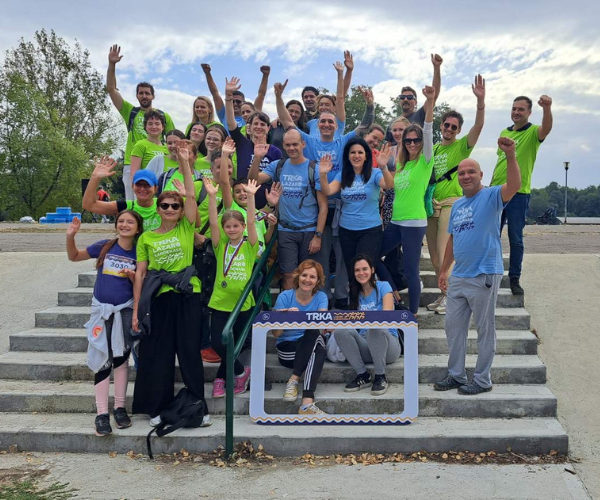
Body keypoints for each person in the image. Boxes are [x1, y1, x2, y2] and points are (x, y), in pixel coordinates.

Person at [275, 77, 374, 308]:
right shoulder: (308, 141)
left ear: (336, 125)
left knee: (342, 255)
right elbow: (287, 121)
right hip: (317, 207)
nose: (327, 124)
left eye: (331, 121)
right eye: (323, 121)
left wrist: (370, 105)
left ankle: (341, 295)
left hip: (341, 206)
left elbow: (364, 126)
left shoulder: (343, 141)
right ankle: (323, 296)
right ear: (317, 124)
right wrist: (278, 97)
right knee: (320, 255)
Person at [434, 137, 521, 395]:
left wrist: (511, 156)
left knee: (485, 330)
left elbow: (514, 185)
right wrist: (444, 270)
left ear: (481, 175)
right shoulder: (458, 205)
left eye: (471, 172)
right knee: (453, 329)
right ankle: (456, 374)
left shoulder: (492, 195)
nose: (466, 176)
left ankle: (482, 380)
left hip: (484, 273)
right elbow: (452, 240)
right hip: (459, 275)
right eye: (462, 173)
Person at [132, 142, 210, 427]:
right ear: (158, 208)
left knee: (189, 353)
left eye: (174, 206)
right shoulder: (147, 237)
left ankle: (198, 408)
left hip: (187, 294)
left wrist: (185, 162)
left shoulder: (187, 228)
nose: (169, 208)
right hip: (160, 298)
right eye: (164, 205)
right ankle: (157, 407)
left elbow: (191, 194)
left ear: (180, 210)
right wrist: (137, 311)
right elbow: (141, 274)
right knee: (159, 354)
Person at [66, 210, 142, 436]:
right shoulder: (105, 246)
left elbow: (142, 282)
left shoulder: (140, 251)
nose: (125, 225)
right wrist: (70, 236)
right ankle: (101, 413)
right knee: (102, 358)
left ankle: (119, 408)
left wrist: (132, 277)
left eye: (130, 222)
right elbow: (74, 256)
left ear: (138, 228)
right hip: (101, 310)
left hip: (125, 309)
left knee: (121, 358)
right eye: (121, 221)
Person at [426, 74, 486, 315]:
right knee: (433, 256)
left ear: (458, 130)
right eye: (446, 125)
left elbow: (478, 127)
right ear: (441, 126)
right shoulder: (434, 148)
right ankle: (444, 294)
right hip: (432, 204)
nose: (449, 129)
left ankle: (451, 298)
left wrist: (480, 102)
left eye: (454, 127)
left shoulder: (461, 146)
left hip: (451, 202)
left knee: (444, 253)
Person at [375, 85, 436, 315]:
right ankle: (392, 290)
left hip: (413, 222)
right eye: (408, 140)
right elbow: (390, 185)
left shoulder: (425, 161)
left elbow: (428, 130)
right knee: (372, 256)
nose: (411, 143)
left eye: (415, 140)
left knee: (411, 270)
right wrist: (383, 167)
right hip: (396, 221)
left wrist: (430, 101)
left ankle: (412, 315)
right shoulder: (402, 163)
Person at [490, 94, 553, 295]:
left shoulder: (533, 132)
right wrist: (490, 187)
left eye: (521, 109)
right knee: (491, 236)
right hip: (497, 191)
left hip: (519, 193)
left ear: (529, 112)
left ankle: (514, 278)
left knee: (515, 238)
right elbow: (500, 162)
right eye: (514, 108)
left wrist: (547, 108)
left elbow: (546, 128)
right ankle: (490, 275)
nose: (516, 112)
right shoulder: (504, 132)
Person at [249, 130, 328, 290]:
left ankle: (306, 306)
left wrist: (318, 236)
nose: (291, 148)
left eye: (295, 144)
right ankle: (289, 306)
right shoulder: (278, 166)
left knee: (309, 275)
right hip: (285, 230)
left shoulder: (314, 169)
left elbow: (323, 206)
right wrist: (257, 158)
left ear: (303, 144)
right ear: (284, 146)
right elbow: (253, 180)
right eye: (288, 145)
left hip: (309, 230)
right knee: (288, 275)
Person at [203, 178, 260, 398]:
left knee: (233, 345)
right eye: (228, 226)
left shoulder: (249, 246)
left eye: (236, 226)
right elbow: (213, 223)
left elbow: (253, 222)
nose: (232, 229)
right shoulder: (221, 246)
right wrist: (211, 196)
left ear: (242, 227)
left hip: (242, 303)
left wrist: (251, 197)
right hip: (220, 301)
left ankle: (221, 378)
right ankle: (240, 372)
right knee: (219, 343)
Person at [106, 44, 175, 200]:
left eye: (147, 93)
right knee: (133, 202)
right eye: (141, 93)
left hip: (158, 161)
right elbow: (111, 89)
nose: (144, 96)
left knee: (159, 201)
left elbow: (174, 139)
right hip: (133, 163)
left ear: (153, 96)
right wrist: (112, 65)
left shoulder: (163, 116)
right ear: (137, 96)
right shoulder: (131, 112)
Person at [318, 138, 394, 276]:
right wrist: (323, 174)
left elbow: (388, 185)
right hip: (347, 230)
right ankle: (353, 291)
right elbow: (328, 191)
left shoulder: (375, 173)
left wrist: (383, 167)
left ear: (366, 156)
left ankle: (368, 291)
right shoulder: (343, 175)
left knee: (365, 270)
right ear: (348, 156)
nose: (356, 155)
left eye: (360, 152)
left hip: (370, 230)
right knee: (352, 271)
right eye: (353, 152)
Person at [334, 255, 401, 396]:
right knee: (340, 331)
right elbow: (352, 323)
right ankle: (363, 375)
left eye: (364, 269)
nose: (361, 273)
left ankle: (380, 376)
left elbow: (387, 315)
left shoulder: (383, 286)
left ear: (372, 270)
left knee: (375, 328)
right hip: (365, 345)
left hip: (387, 345)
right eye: (357, 270)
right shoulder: (354, 293)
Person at [272, 259, 329, 415]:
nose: (307, 280)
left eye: (312, 277)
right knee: (319, 345)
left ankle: (296, 385)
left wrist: (325, 324)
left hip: (309, 344)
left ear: (318, 281)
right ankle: (305, 401)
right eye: (304, 275)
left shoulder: (321, 297)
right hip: (287, 350)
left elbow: (322, 324)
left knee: (315, 336)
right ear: (298, 276)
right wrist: (285, 319)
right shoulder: (285, 297)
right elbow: (276, 334)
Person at [225, 76, 282, 208]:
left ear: (268, 128)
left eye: (262, 124)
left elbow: (277, 181)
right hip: (242, 203)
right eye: (255, 124)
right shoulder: (242, 143)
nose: (259, 127)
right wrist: (228, 96)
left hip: (266, 206)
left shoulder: (275, 152)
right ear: (249, 127)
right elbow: (230, 122)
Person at [82, 157, 161, 233]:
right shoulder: (126, 206)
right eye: (138, 185)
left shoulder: (164, 205)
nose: (142, 189)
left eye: (147, 185)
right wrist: (95, 178)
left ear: (155, 188)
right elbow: (89, 205)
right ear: (132, 186)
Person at [385, 54, 442, 142]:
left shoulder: (420, 115)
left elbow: (433, 97)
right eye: (403, 97)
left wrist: (436, 68)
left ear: (415, 102)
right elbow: (388, 145)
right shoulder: (393, 123)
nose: (405, 99)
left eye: (410, 97)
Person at [201, 63, 270, 131]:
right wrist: (208, 74)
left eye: (238, 101)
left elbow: (261, 95)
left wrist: (265, 75)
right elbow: (215, 94)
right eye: (232, 101)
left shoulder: (252, 114)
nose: (235, 104)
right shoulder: (224, 114)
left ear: (244, 102)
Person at [130, 111, 169, 179]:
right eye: (150, 124)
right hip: (147, 184)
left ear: (163, 127)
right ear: (145, 127)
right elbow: (134, 173)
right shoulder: (140, 145)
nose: (154, 127)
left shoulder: (168, 147)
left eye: (157, 124)